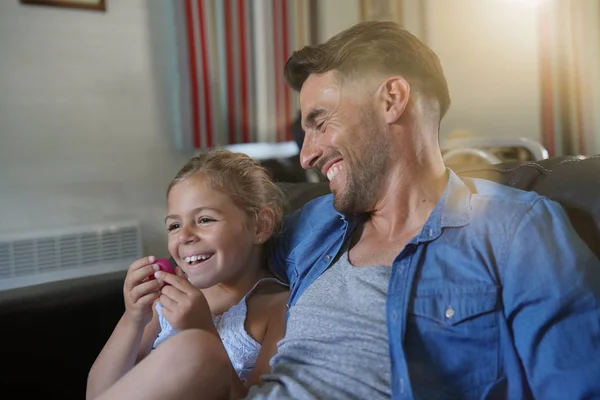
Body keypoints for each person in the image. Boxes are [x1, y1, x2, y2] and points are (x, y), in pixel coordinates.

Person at [93, 21, 600, 400]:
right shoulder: (313, 228)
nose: (307, 154)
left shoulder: (514, 230)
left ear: (392, 99)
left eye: (320, 122)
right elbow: (223, 248)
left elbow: (575, 382)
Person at [86, 149, 289, 399]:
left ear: (260, 225)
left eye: (204, 219)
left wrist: (204, 329)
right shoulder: (167, 300)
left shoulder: (277, 309)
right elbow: (98, 391)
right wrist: (134, 318)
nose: (184, 236)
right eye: (174, 225)